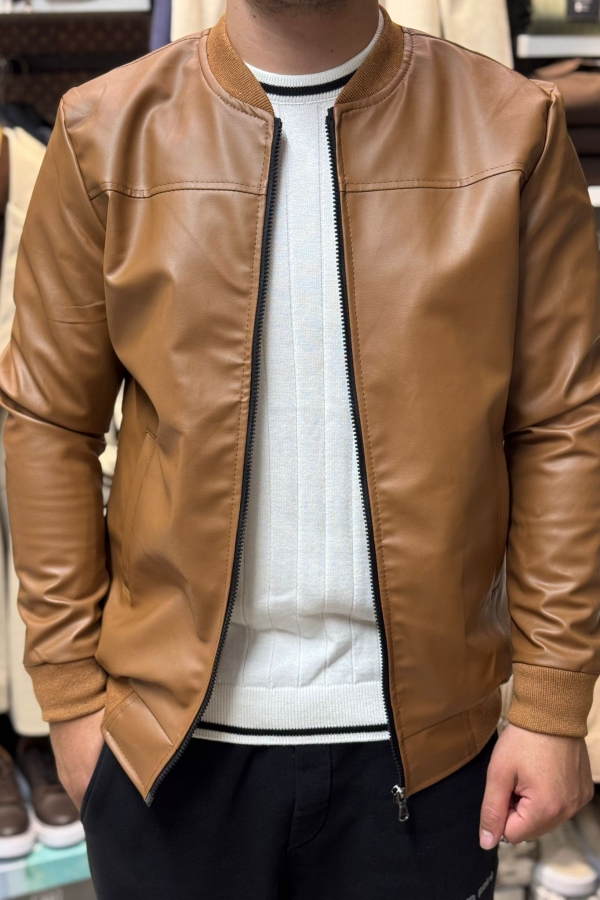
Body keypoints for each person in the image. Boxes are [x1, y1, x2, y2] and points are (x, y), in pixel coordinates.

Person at [0, 0, 599, 897]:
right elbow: (49, 421)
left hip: (428, 753)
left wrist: (553, 701)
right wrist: (72, 698)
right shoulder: (105, 130)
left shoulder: (512, 127)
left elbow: (562, 424)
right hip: (165, 751)